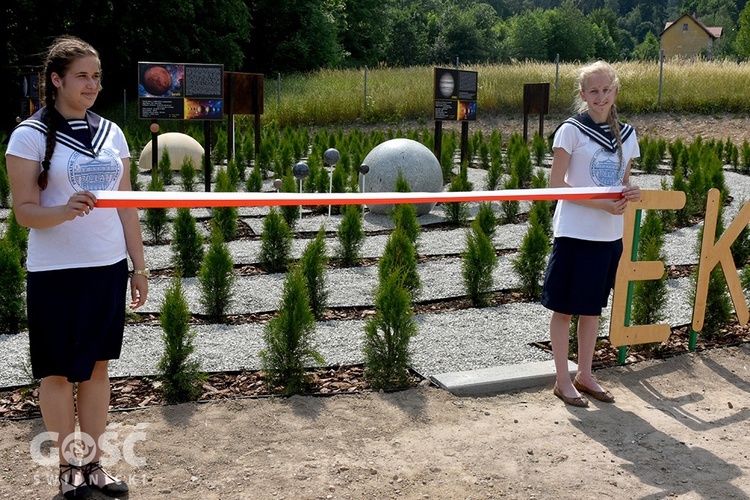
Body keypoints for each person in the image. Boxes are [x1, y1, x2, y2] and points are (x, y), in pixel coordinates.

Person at [6, 36, 148, 498]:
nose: (92, 85)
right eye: (82, 76)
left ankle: (95, 465)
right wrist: (64, 210)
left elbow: (127, 206)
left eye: (97, 76)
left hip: (106, 267)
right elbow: (25, 211)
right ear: (56, 79)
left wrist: (138, 266)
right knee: (57, 373)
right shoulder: (28, 135)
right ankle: (69, 470)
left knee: (98, 369)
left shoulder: (113, 132)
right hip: (56, 272)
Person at [541, 60, 641, 408]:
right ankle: (562, 380)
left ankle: (585, 374)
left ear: (615, 91)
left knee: (592, 309)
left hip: (609, 236)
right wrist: (601, 204)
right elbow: (555, 187)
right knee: (565, 310)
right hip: (575, 233)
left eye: (606, 90)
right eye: (593, 91)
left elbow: (622, 182)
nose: (600, 97)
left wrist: (630, 193)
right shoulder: (571, 130)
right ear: (583, 94)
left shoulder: (628, 134)